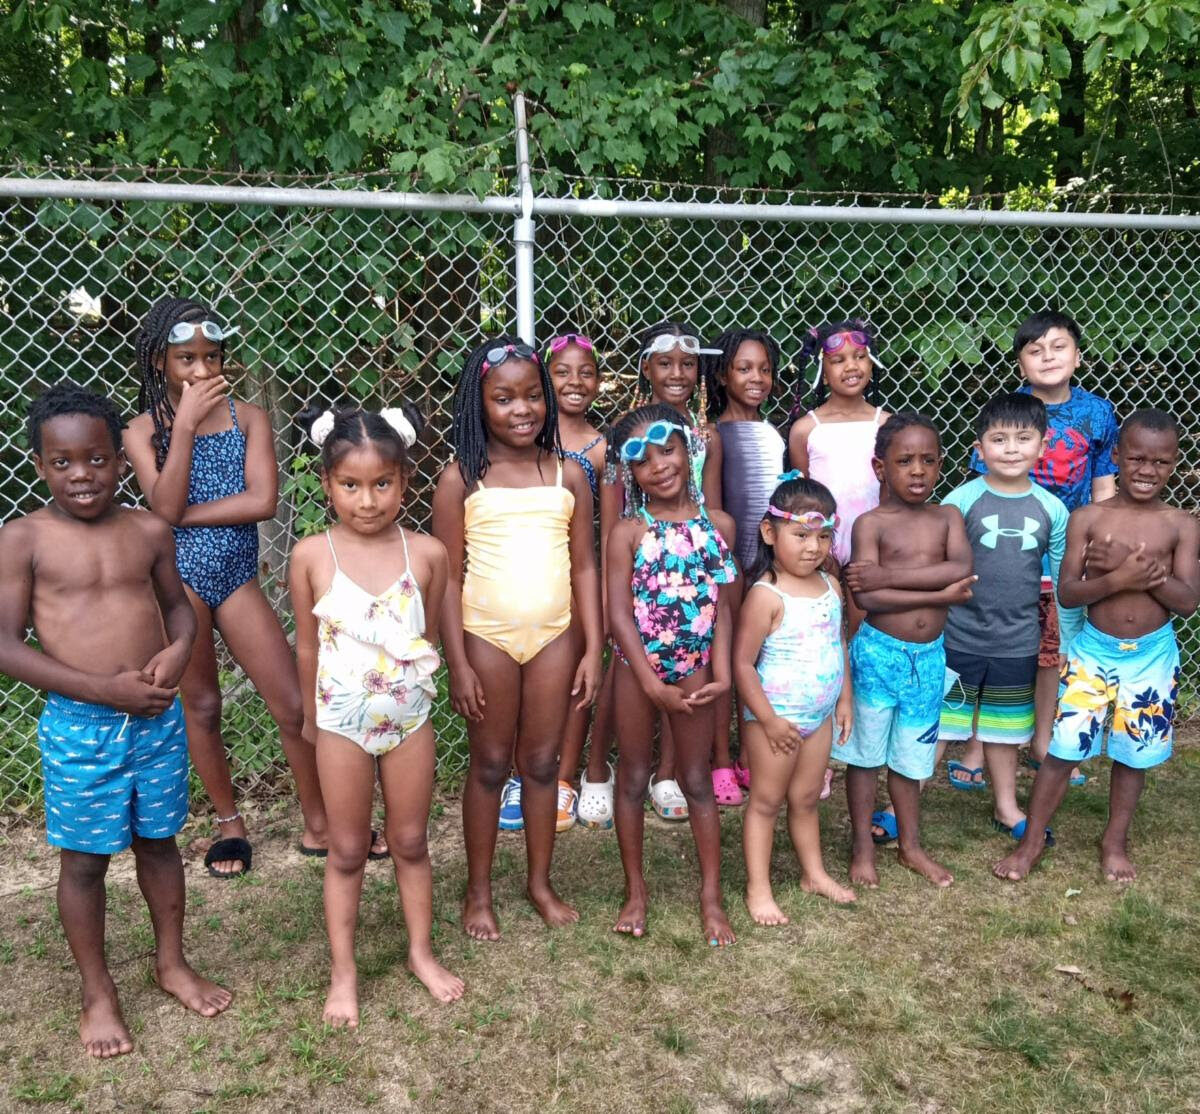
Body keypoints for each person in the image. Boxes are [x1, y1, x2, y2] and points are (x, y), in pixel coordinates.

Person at [0, 383, 231, 1057]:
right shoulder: (23, 540)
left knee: (159, 842)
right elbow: (7, 646)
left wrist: (179, 650)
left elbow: (181, 609)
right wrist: (103, 689)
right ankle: (97, 992)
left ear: (121, 462)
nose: (82, 475)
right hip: (82, 726)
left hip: (155, 719)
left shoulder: (149, 531)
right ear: (40, 465)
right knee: (85, 862)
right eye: (64, 462)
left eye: (96, 459)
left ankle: (171, 962)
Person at [124, 296, 334, 878]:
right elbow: (162, 504)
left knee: (291, 702)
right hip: (178, 584)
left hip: (236, 577)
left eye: (211, 357)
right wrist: (184, 426)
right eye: (186, 358)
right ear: (159, 361)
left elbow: (260, 501)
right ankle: (228, 825)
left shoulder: (250, 418)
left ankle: (320, 823)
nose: (200, 371)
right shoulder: (142, 431)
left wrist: (181, 513)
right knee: (204, 704)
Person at [289, 404, 465, 1025]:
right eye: (351, 485)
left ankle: (420, 951)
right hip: (341, 725)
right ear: (326, 485)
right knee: (346, 849)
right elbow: (307, 648)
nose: (368, 501)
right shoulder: (312, 555)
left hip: (409, 721)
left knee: (411, 840)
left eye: (382, 484)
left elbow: (433, 632)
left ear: (405, 481)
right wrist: (311, 720)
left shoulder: (428, 554)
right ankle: (345, 970)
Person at [432, 337, 602, 941]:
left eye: (533, 395)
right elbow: (446, 577)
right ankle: (478, 891)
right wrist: (457, 662)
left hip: (557, 637)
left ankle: (539, 882)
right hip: (487, 639)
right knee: (488, 764)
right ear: (477, 405)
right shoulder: (461, 479)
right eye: (503, 398)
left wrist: (592, 648)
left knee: (540, 763)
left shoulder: (569, 474)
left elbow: (585, 567)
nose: (522, 408)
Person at [994, 409, 1198, 884]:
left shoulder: (1181, 524)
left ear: (1174, 463)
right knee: (1064, 748)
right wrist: (1120, 579)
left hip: (1152, 655)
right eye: (1136, 458)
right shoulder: (1088, 517)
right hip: (1094, 651)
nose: (1147, 470)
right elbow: (1069, 593)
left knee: (1132, 754)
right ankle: (1031, 842)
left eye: (1160, 462)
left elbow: (1187, 602)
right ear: (1118, 457)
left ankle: (1114, 841)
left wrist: (1133, 568)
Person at [606, 403, 738, 945]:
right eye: (641, 459)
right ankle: (635, 891)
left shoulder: (717, 526)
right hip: (637, 670)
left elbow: (723, 606)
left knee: (697, 780)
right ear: (629, 474)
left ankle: (712, 897)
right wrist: (650, 681)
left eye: (668, 450)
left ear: (689, 450)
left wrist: (723, 673)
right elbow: (617, 613)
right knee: (634, 777)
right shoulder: (628, 532)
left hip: (697, 669)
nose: (659, 466)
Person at [970, 311, 1118, 787]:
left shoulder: (1097, 413)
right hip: (1005, 547)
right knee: (997, 638)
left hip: (1065, 547)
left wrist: (1102, 541)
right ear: (1020, 363)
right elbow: (983, 484)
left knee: (1055, 645)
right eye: (1035, 350)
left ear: (1078, 355)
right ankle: (978, 740)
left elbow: (1103, 488)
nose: (1048, 357)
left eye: (1058, 347)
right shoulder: (1006, 411)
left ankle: (1045, 739)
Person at [840, 414, 974, 888]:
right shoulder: (870, 524)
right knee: (866, 756)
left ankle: (911, 846)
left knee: (911, 757)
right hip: (878, 655)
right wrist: (939, 593)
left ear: (940, 464)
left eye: (928, 460)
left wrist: (889, 577)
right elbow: (868, 598)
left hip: (930, 659)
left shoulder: (948, 518)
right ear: (880, 468)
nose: (917, 470)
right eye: (904, 461)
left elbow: (960, 569)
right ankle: (861, 845)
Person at [599, 321, 724, 820]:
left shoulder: (702, 437)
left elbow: (711, 512)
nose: (677, 373)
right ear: (645, 367)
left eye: (688, 363)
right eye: (665, 362)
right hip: (639, 566)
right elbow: (613, 522)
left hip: (693, 566)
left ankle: (668, 773)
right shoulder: (625, 436)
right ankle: (594, 770)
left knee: (688, 683)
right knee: (623, 675)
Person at [937, 394, 1069, 844]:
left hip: (1017, 642)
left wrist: (1064, 643)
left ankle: (1006, 805)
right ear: (979, 447)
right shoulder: (961, 500)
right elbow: (940, 561)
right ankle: (905, 800)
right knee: (940, 722)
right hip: (959, 637)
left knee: (1004, 729)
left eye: (1023, 438)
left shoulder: (1052, 509)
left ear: (1043, 445)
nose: (1011, 449)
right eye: (999, 439)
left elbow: (1063, 585)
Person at [735, 473, 856, 923]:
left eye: (823, 536)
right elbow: (742, 665)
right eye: (801, 534)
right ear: (771, 532)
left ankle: (814, 873)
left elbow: (837, 645)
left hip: (819, 718)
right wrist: (767, 720)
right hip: (777, 721)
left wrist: (843, 700)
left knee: (806, 798)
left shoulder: (831, 587)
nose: (813, 547)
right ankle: (758, 888)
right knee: (766, 802)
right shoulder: (765, 596)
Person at [787, 320, 891, 804]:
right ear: (821, 370)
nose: (851, 366)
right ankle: (822, 753)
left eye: (859, 357)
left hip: (875, 561)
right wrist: (819, 557)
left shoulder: (885, 425)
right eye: (838, 360)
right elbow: (803, 499)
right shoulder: (807, 429)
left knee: (866, 650)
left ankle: (864, 746)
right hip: (824, 561)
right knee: (829, 652)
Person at [705, 328, 786, 805]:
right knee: (726, 660)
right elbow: (716, 508)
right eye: (743, 368)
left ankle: (753, 755)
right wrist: (727, 567)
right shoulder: (714, 434)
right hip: (730, 565)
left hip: (768, 567)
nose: (756, 378)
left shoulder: (776, 434)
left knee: (760, 663)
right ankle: (719, 758)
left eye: (765, 369)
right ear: (721, 375)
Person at [544, 332, 611, 833]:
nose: (574, 382)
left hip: (576, 572)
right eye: (562, 371)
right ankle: (529, 775)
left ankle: (564, 779)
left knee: (573, 679)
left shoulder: (601, 447)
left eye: (585, 372)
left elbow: (605, 531)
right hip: (527, 572)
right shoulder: (522, 434)